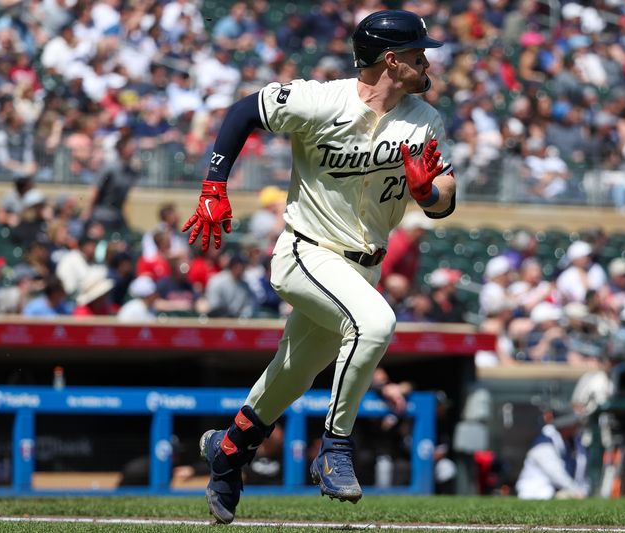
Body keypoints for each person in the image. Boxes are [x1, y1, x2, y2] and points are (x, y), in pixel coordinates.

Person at [183, 10, 455, 524]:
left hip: (363, 266)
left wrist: (429, 194)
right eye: (418, 52)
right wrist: (214, 186)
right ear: (390, 60)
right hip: (307, 252)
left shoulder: (425, 120)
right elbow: (244, 111)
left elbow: (447, 197)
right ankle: (336, 447)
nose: (428, 60)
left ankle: (229, 449)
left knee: (294, 371)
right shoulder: (322, 99)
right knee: (375, 324)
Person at [516, 411, 588, 500]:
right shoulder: (543, 444)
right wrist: (576, 490)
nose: (576, 427)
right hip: (536, 492)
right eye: (574, 424)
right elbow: (556, 474)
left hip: (553, 492)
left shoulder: (570, 443)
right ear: (565, 426)